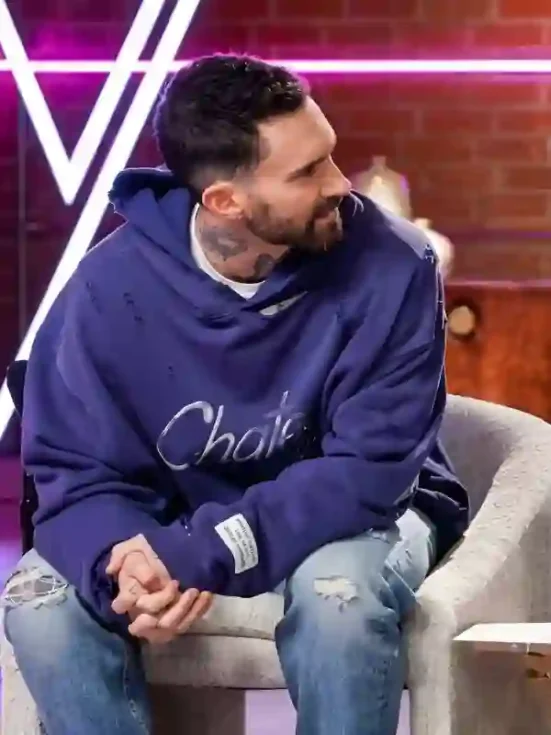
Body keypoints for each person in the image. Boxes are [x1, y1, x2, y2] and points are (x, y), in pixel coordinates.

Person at [1, 54, 469, 735]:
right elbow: (72, 475)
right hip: (178, 520)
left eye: (328, 154)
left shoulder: (395, 264)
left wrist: (205, 550)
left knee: (336, 601)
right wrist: (119, 566)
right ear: (225, 201)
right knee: (39, 608)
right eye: (307, 171)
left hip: (365, 515)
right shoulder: (104, 291)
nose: (340, 183)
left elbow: (370, 470)